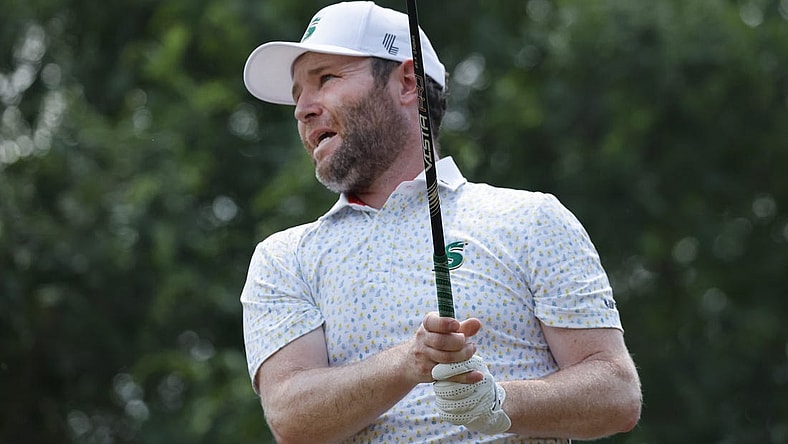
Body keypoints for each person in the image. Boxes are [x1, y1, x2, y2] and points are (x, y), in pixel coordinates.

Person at [240, 2, 642, 443]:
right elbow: (291, 417)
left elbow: (616, 393)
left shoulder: (531, 219)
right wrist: (408, 362)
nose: (302, 109)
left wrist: (498, 403)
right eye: (297, 94)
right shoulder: (284, 258)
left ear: (407, 82)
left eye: (326, 79)